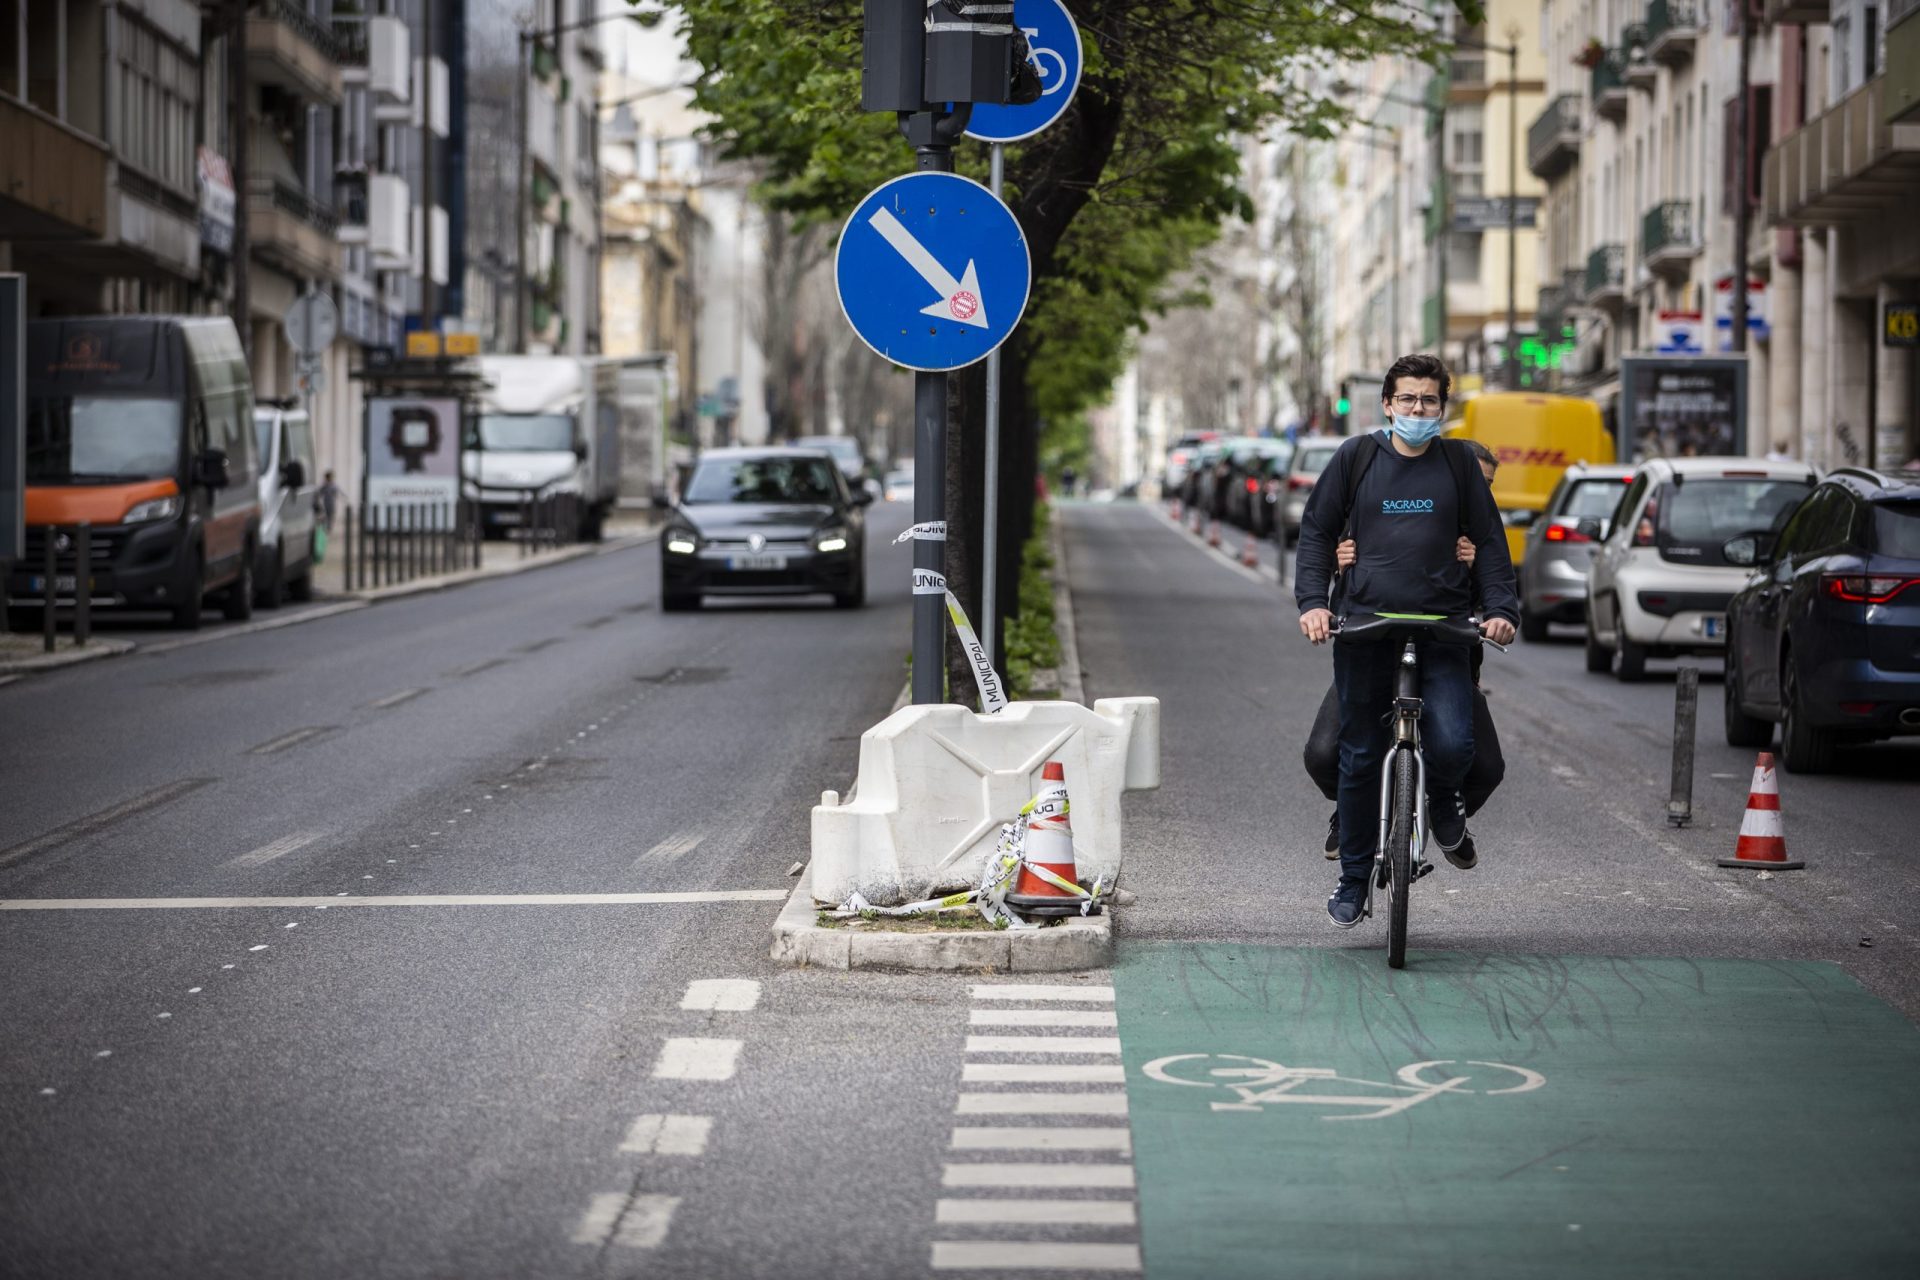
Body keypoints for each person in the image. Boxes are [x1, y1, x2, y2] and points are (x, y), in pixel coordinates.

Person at [1295, 354, 1519, 929]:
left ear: (1443, 407)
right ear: (1388, 405)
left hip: (1444, 629)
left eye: (1429, 401)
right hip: (1366, 626)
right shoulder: (1357, 458)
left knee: (1452, 744)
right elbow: (1318, 530)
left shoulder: (1458, 465)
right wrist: (1315, 603)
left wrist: (1500, 611)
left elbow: (1491, 543)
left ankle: (1443, 802)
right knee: (1358, 754)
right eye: (1408, 400)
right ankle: (1351, 883)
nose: (1418, 410)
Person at [1301, 440, 1507, 866]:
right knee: (1324, 754)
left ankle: (1444, 805)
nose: (1479, 496)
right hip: (1373, 648)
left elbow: (1500, 586)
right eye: (1473, 484)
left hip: (1448, 658)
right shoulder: (1381, 503)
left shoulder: (1480, 534)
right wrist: (1337, 569)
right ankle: (1353, 810)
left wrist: (1487, 595)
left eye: (1487, 487)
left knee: (1484, 764)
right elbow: (1327, 543)